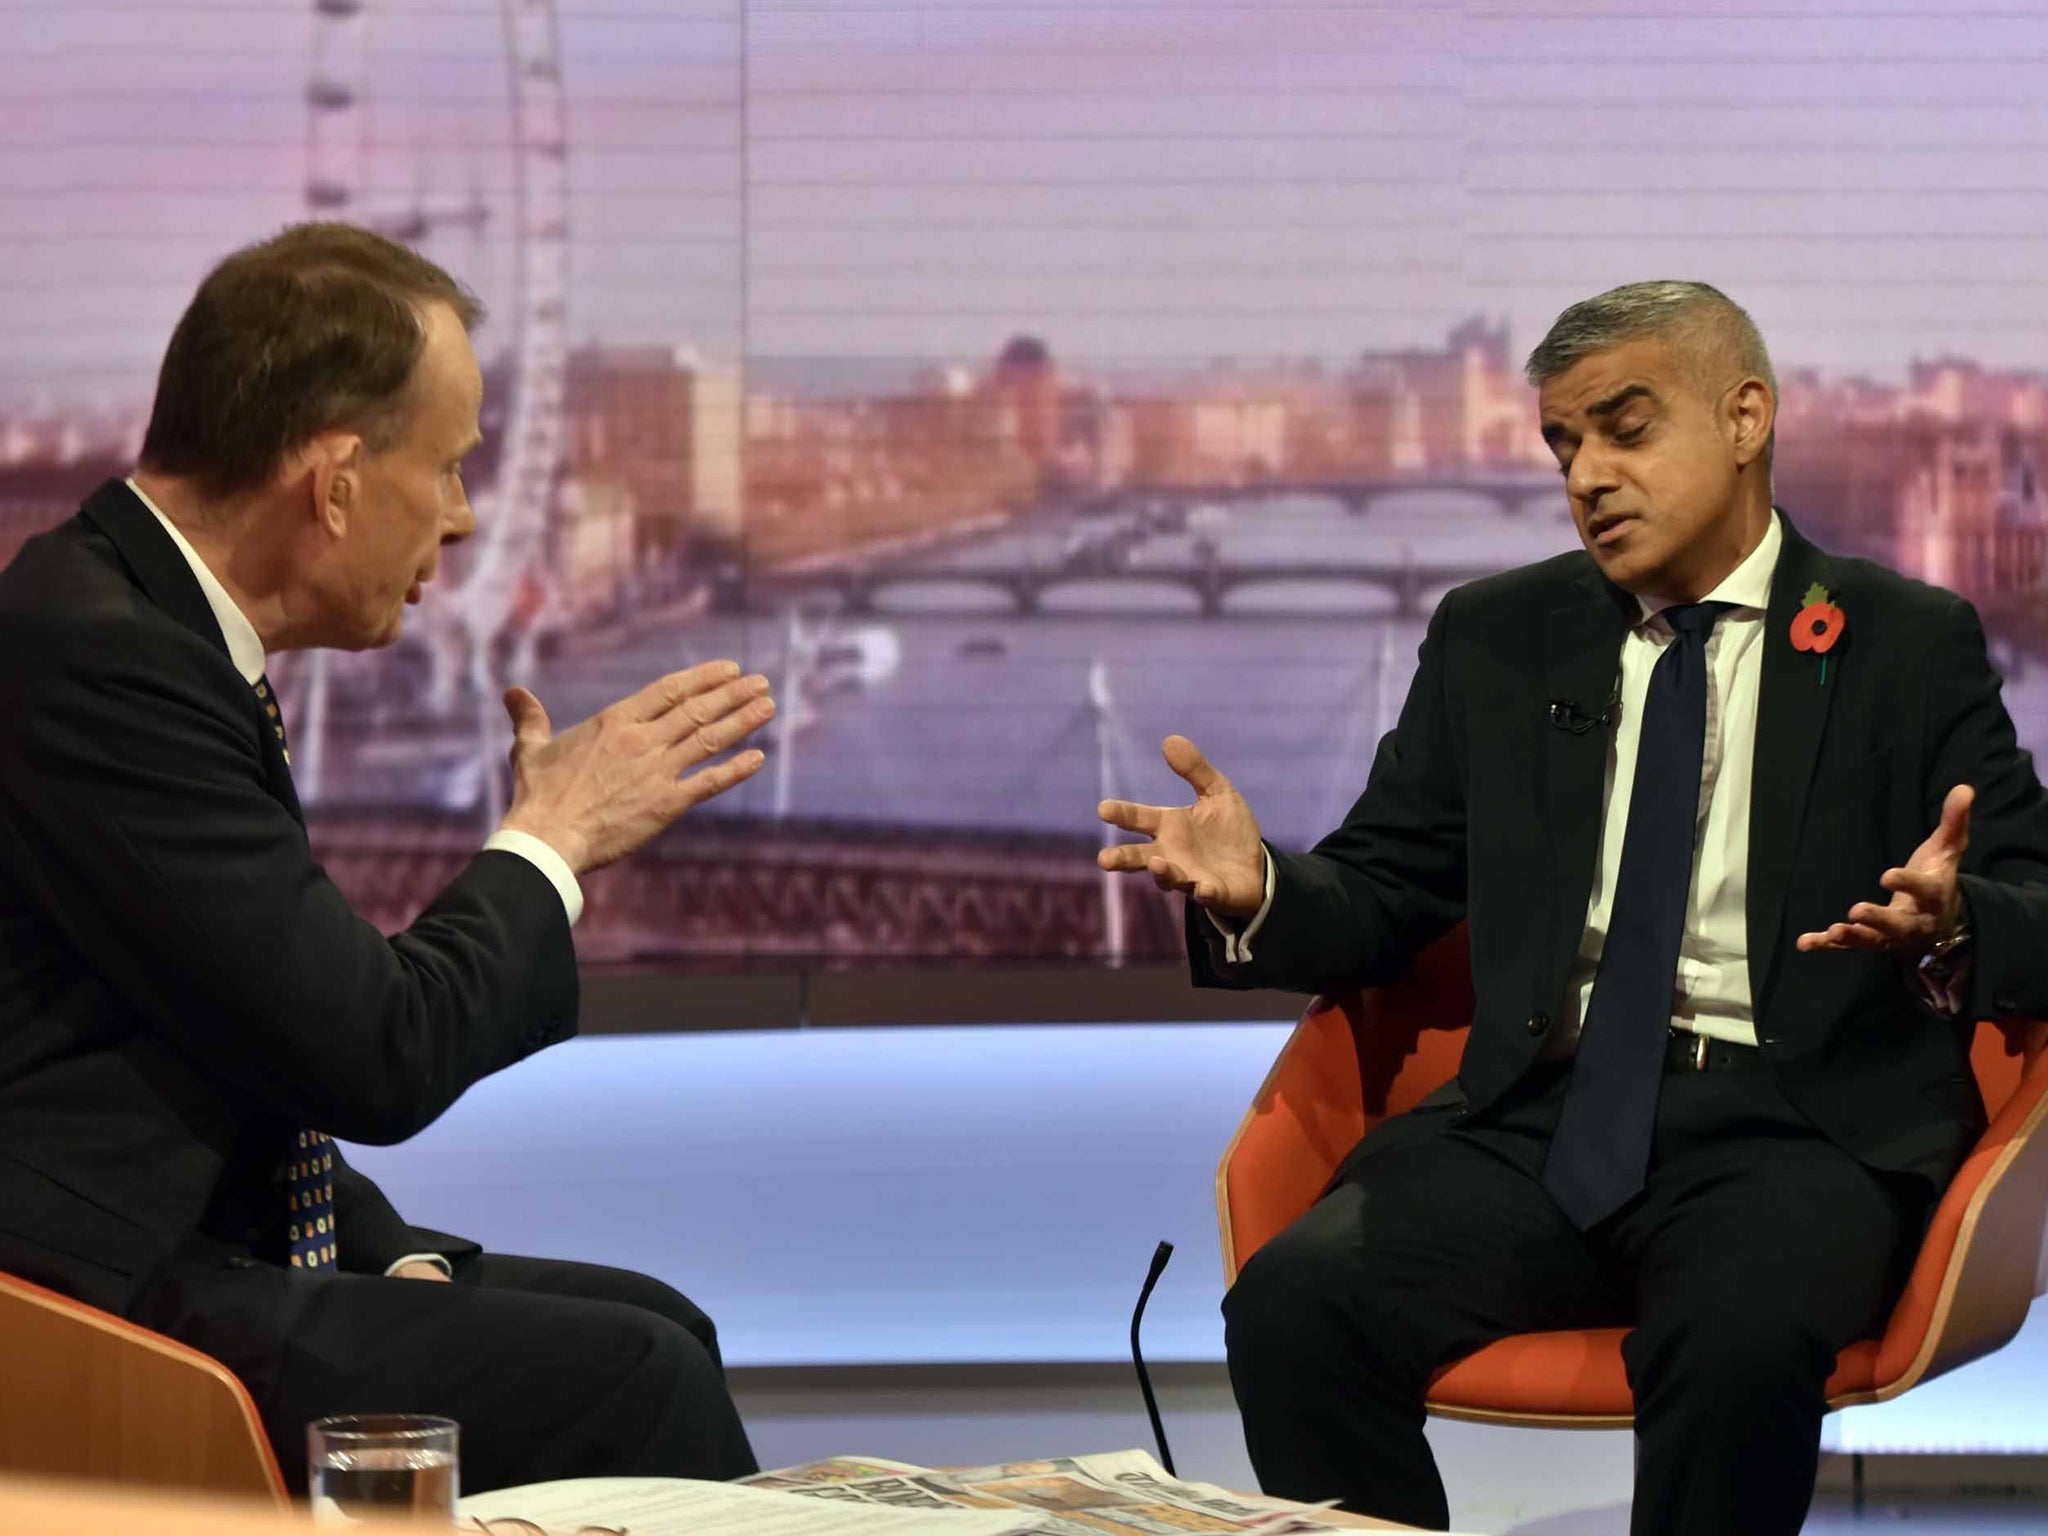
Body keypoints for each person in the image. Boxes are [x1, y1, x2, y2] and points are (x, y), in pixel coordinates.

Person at [1098, 281, 2048, 1535]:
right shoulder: (1499, 636)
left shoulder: (1899, 639)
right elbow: (1384, 892)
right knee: (1294, 1305)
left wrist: (1958, 918)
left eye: (1625, 429)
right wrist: (1260, 885)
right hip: (1539, 1121)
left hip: (1795, 1127)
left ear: (1744, 417)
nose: (1586, 475)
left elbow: (2033, 895)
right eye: (1563, 446)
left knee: (1734, 1339)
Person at [0, 223, 776, 1493]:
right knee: (635, 1380)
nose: (463, 519)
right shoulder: (101, 660)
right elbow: (371, 1051)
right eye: (451, 467)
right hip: (83, 1296)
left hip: (183, 1245)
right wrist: (551, 841)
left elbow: (232, 1030)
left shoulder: (134, 628)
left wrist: (378, 1250)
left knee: (661, 1322)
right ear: (337, 480)